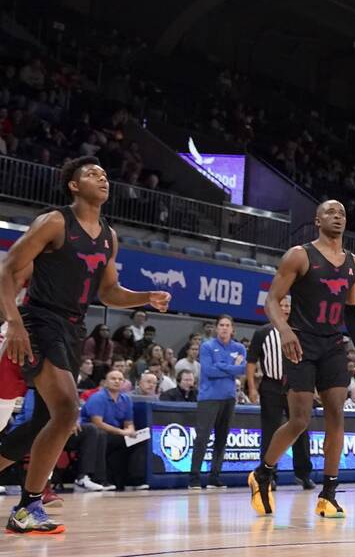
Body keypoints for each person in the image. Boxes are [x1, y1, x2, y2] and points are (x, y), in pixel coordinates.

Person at [0, 157, 170, 534]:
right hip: (39, 320)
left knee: (44, 423)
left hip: (74, 329)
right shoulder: (55, 222)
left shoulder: (109, 235)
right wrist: (13, 323)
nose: (102, 177)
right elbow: (7, 270)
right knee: (66, 409)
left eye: (105, 174)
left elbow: (108, 293)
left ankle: (29, 502)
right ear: (74, 186)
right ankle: (27, 506)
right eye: (92, 174)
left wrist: (145, 296)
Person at [249, 200, 355, 520]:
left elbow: (352, 310)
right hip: (300, 343)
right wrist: (285, 331)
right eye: (331, 212)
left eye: (343, 213)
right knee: (300, 419)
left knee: (336, 416)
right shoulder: (299, 255)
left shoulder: (354, 264)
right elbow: (272, 301)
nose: (338, 217)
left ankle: (328, 494)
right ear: (317, 220)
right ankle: (263, 473)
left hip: (333, 345)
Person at [245, 295, 313, 490]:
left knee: (301, 429)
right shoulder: (263, 332)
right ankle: (269, 475)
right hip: (272, 386)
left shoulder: (301, 331)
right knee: (270, 431)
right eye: (281, 305)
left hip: (296, 384)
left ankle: (303, 474)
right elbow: (251, 362)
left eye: (287, 305)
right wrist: (251, 387)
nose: (284, 309)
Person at [189, 314, 245, 489]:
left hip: (229, 398)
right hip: (209, 398)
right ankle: (194, 477)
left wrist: (221, 365)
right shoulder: (207, 346)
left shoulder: (240, 347)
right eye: (221, 325)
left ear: (232, 328)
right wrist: (231, 367)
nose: (224, 328)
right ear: (216, 327)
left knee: (222, 439)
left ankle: (214, 476)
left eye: (228, 325)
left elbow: (243, 369)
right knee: (202, 438)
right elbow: (209, 371)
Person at [77, 369, 147, 491]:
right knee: (102, 434)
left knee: (142, 438)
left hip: (116, 434)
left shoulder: (126, 399)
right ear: (105, 382)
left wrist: (131, 431)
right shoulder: (98, 398)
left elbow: (129, 423)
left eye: (120, 379)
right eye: (113, 379)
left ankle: (134, 480)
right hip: (96, 434)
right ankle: (100, 479)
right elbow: (97, 423)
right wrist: (122, 432)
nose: (117, 381)